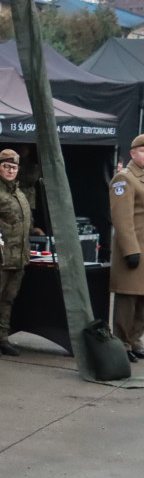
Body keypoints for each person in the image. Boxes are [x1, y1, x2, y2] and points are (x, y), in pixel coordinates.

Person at [0, 149, 39, 357]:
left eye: (14, 167)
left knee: (8, 300)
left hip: (18, 257)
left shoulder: (19, 193)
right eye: (6, 166)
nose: (10, 170)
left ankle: (2, 336)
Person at [109, 134, 144, 362]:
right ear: (133, 153)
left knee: (142, 299)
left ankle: (135, 340)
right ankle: (121, 342)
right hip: (131, 249)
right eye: (143, 151)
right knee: (127, 299)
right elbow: (122, 219)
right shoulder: (124, 179)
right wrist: (130, 250)